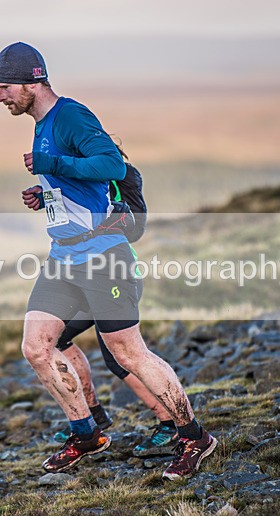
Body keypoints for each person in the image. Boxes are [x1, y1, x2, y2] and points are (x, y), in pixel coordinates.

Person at [0, 42, 216, 480]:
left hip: (102, 257)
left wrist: (52, 162)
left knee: (128, 353)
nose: (0, 97)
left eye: (4, 87)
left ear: (32, 82)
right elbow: (83, 187)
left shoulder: (70, 116)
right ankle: (86, 433)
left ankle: (194, 437)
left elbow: (112, 165)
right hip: (64, 257)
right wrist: (47, 194)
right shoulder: (41, 123)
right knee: (37, 347)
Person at [27, 147, 179, 457]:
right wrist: (46, 199)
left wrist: (108, 221)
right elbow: (72, 215)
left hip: (111, 272)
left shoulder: (121, 174)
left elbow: (135, 229)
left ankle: (170, 424)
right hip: (77, 274)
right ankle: (93, 414)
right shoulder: (69, 174)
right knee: (57, 338)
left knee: (120, 356)